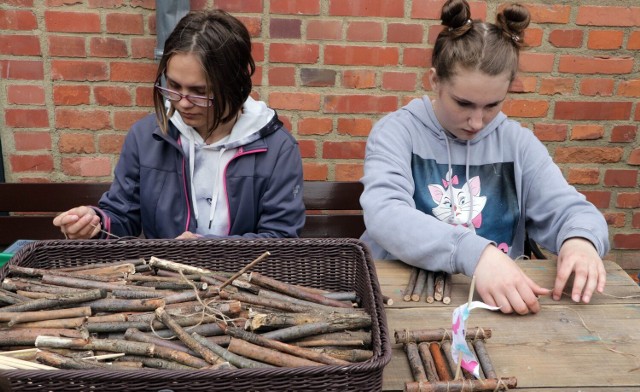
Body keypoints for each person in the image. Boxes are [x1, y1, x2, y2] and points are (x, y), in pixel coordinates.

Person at [359, 0, 610, 315]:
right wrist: (476, 253)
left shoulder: (517, 142)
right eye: (463, 103)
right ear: (435, 80)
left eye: (492, 105)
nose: (477, 122)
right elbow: (385, 215)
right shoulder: (397, 132)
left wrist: (580, 241)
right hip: (399, 302)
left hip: (495, 307)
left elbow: (570, 210)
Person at [53, 10, 305, 240]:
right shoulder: (145, 137)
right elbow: (122, 215)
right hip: (162, 283)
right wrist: (94, 223)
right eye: (173, 86)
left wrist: (207, 248)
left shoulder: (277, 149)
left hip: (243, 285)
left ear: (234, 84)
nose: (183, 103)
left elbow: (280, 238)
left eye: (199, 92)